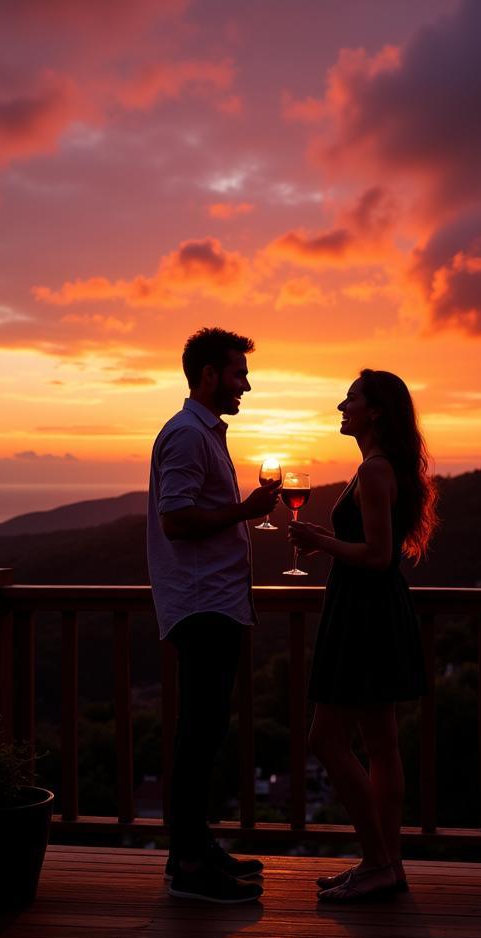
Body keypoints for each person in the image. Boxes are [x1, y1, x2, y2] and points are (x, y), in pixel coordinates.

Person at [288, 369, 437, 902]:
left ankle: (378, 860)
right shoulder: (381, 467)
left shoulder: (374, 471)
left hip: (363, 613)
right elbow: (375, 547)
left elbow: (376, 556)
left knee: (325, 740)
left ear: (374, 411)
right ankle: (386, 866)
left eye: (350, 399)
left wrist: (320, 542)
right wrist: (327, 540)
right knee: (381, 745)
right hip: (377, 609)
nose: (341, 406)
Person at [147, 326, 280, 904]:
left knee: (204, 732)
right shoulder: (185, 436)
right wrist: (244, 511)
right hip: (202, 604)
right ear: (207, 375)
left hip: (216, 602)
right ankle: (188, 866)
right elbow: (176, 520)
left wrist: (240, 513)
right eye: (237, 373)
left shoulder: (203, 434)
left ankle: (196, 847)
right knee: (198, 734)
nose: (245, 385)